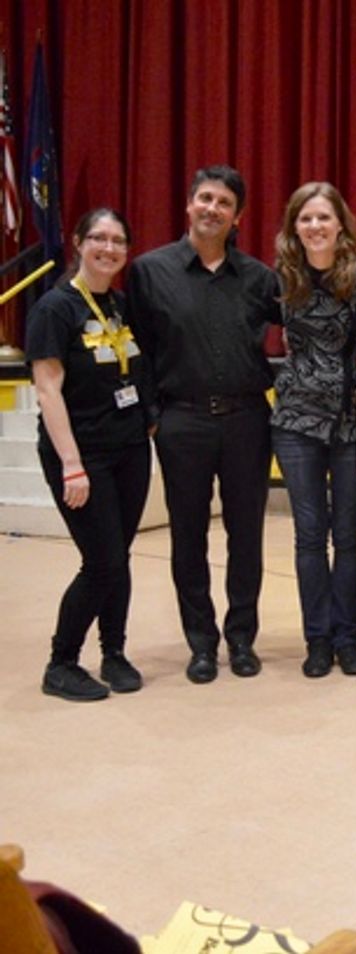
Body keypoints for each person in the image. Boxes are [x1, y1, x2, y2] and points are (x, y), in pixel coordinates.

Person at [127, 166, 280, 683]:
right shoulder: (150, 272)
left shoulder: (260, 278)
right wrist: (152, 416)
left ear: (239, 216)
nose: (213, 209)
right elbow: (139, 350)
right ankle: (200, 642)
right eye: (205, 198)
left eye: (225, 203)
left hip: (246, 420)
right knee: (188, 536)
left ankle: (241, 639)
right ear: (189, 204)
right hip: (182, 421)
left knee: (246, 536)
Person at [26, 209, 153, 701]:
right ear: (78, 243)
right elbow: (48, 390)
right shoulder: (55, 308)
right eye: (98, 238)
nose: (109, 247)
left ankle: (114, 652)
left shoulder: (119, 305)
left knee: (118, 557)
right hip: (83, 455)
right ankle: (61, 662)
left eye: (118, 240)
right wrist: (72, 465)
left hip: (129, 448)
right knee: (100, 562)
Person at [270, 182, 356, 678]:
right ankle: (317, 639)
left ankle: (348, 637)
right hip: (296, 421)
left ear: (341, 224)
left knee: (350, 536)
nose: (315, 227)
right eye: (306, 219)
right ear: (295, 227)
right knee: (310, 537)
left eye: (324, 218)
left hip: (354, 420)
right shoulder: (282, 276)